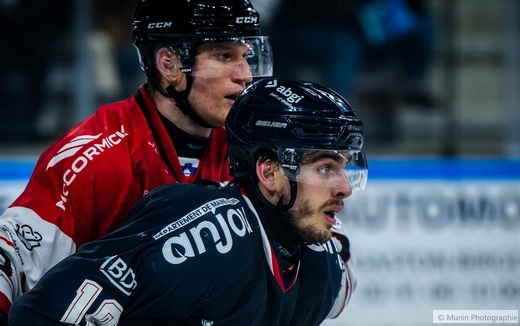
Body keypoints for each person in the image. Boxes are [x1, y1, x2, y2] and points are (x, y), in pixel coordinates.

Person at [8, 78, 367, 325]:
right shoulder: (204, 236)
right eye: (323, 169)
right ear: (269, 173)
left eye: (344, 168)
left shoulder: (324, 269)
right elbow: (45, 313)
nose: (344, 188)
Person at [0, 0, 273, 321]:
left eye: (246, 55)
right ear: (169, 63)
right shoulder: (96, 158)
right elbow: (11, 262)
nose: (244, 74)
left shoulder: (253, 147)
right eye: (224, 56)